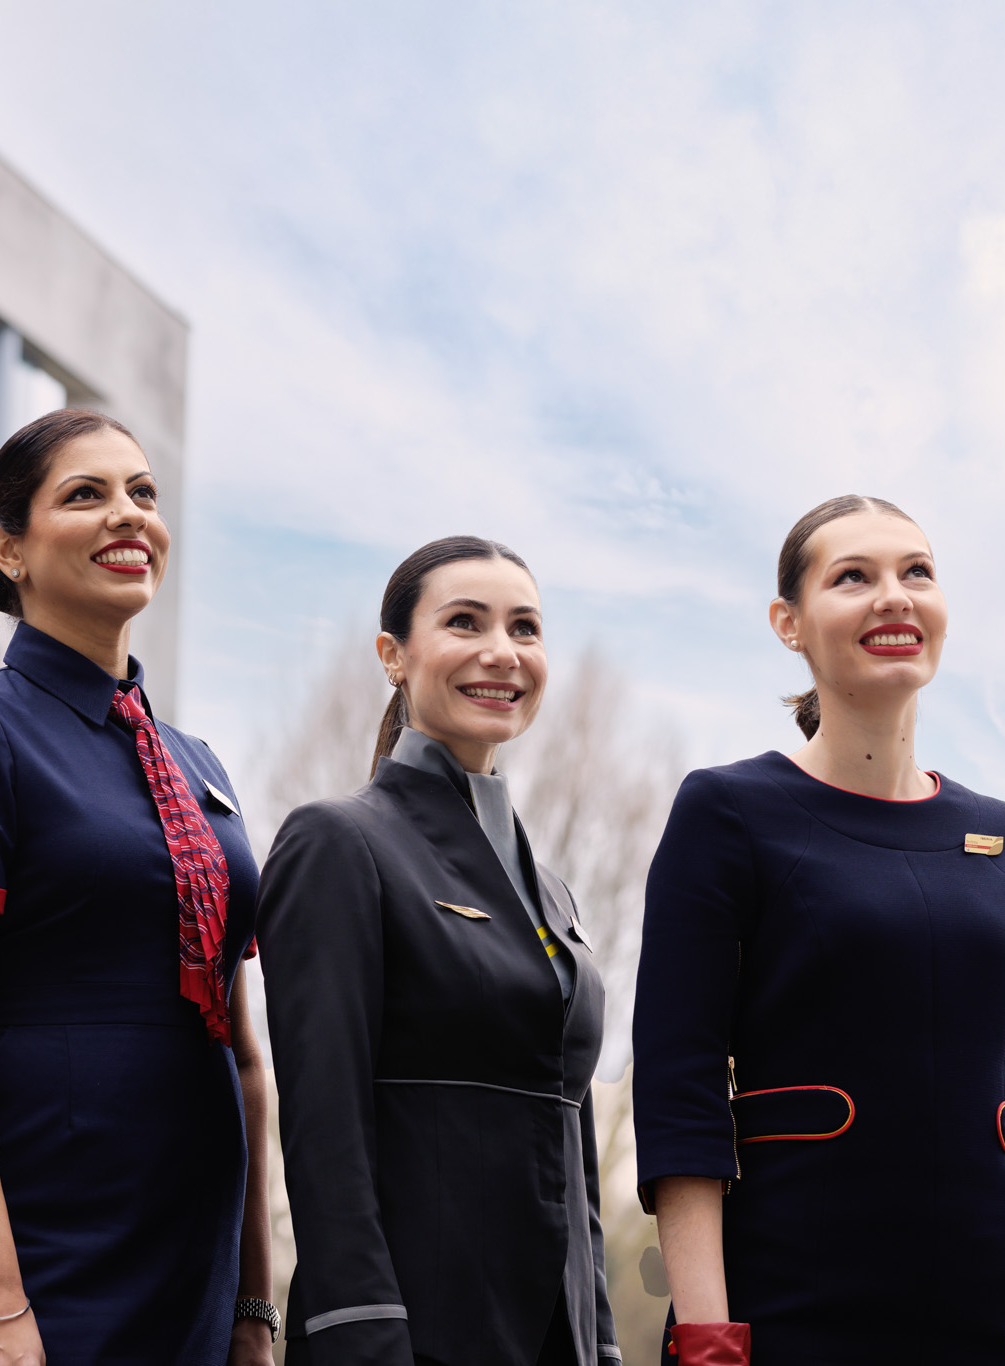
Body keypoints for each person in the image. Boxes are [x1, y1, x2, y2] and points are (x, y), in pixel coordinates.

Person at [634, 495, 1005, 1366]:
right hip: (790, 1316)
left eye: (915, 572)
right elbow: (680, 1098)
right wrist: (708, 1343)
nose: (894, 596)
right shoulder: (727, 812)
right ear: (790, 623)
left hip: (986, 1323)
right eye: (853, 577)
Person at [0, 409, 276, 1366]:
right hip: (44, 1232)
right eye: (85, 495)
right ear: (8, 549)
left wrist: (254, 1301)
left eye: (142, 493)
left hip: (193, 1242)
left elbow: (245, 1052)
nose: (127, 516)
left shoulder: (199, 764)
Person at [259, 536, 618, 1366]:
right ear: (394, 654)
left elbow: (575, 1148)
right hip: (412, 1334)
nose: (503, 653)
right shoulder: (338, 842)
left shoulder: (552, 892)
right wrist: (360, 1330)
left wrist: (600, 1338)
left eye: (525, 629)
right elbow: (322, 1124)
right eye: (465, 622)